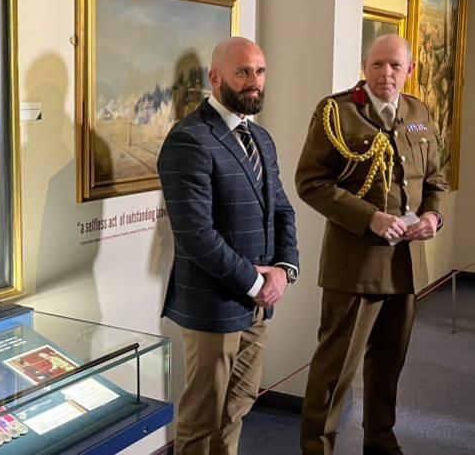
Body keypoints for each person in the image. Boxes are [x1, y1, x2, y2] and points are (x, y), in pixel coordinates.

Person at [296, 34, 449, 455]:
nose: (386, 74)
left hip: (406, 267)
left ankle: (380, 442)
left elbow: (434, 180)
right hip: (355, 267)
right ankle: (318, 447)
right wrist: (371, 218)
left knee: (388, 367)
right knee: (334, 372)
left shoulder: (418, 111)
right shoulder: (336, 112)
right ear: (365, 65)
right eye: (377, 64)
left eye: (395, 66)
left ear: (409, 70)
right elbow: (310, 183)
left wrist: (434, 216)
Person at [158, 37, 299, 455]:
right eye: (243, 72)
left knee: (238, 407)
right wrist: (256, 283)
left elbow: (282, 209)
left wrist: (284, 269)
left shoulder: (261, 138)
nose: (254, 82)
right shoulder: (189, 140)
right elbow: (196, 235)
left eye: (259, 71)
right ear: (215, 78)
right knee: (203, 418)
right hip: (213, 305)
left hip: (257, 302)